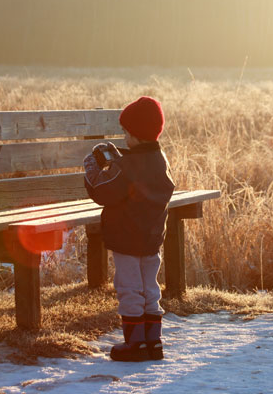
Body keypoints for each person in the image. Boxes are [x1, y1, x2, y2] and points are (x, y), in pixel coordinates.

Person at [83, 96, 175, 362]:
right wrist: (120, 161)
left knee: (129, 289)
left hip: (126, 239)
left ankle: (134, 345)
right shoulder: (159, 160)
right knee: (150, 289)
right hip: (151, 240)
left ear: (135, 133)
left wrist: (92, 166)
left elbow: (102, 191)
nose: (124, 138)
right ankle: (152, 342)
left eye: (125, 132)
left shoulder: (128, 166)